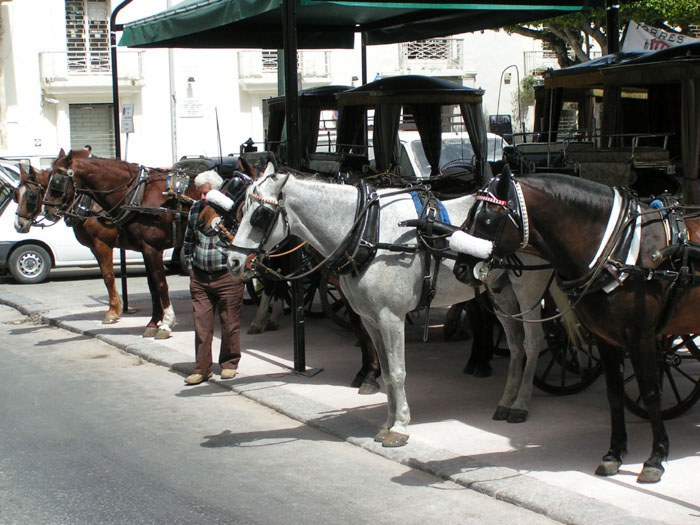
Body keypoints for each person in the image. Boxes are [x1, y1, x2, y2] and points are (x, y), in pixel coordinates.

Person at [182, 170, 245, 385]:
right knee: (202, 326)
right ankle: (202, 368)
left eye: (205, 193)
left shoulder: (232, 212)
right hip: (200, 276)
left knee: (230, 324)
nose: (201, 198)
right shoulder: (196, 209)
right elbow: (189, 240)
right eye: (200, 193)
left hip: (227, 276)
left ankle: (229, 363)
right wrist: (191, 267)